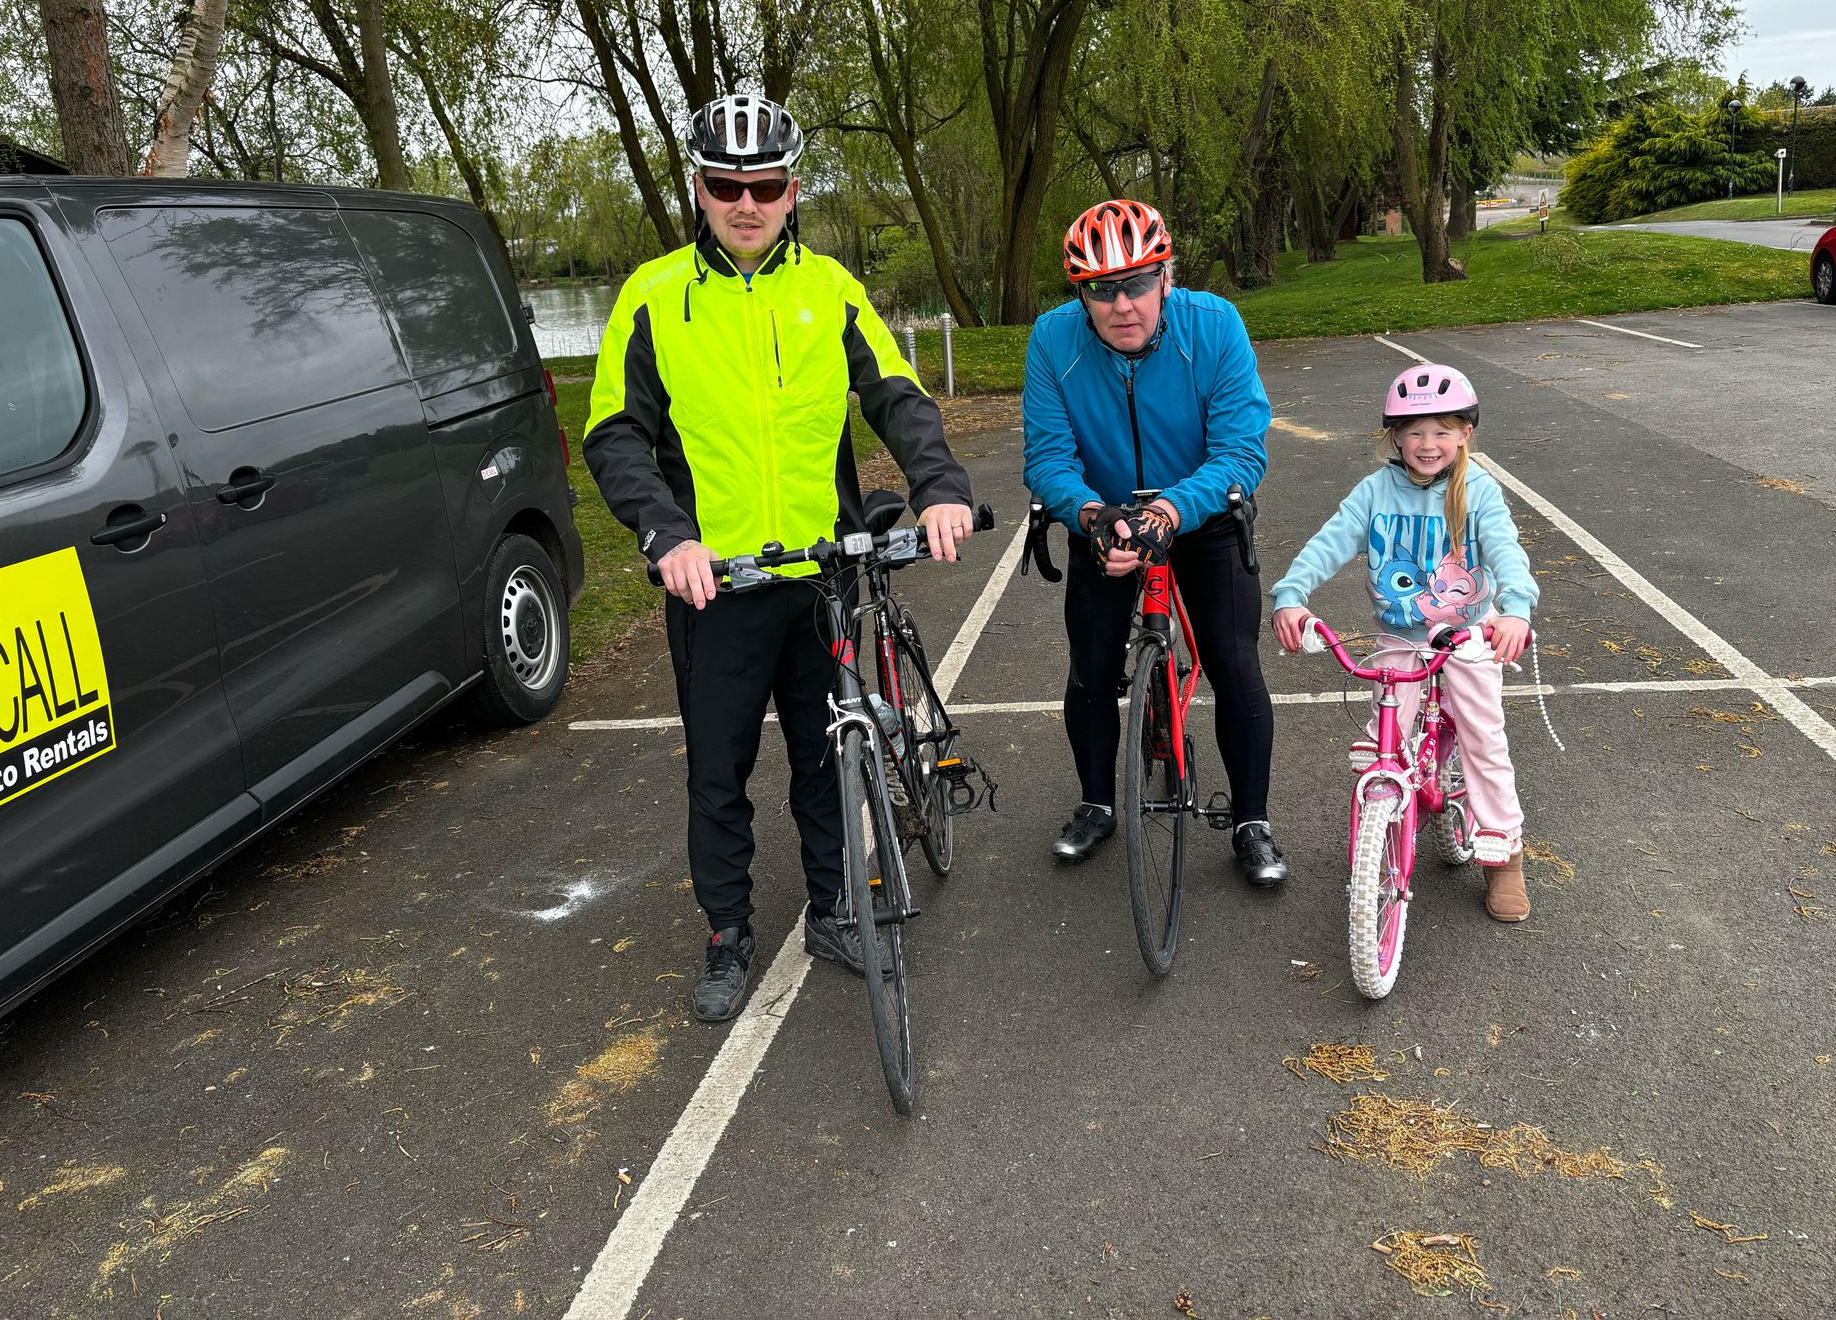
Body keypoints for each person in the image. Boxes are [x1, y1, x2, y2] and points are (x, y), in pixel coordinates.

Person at [584, 93, 976, 1022]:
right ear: (699, 189)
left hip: (820, 574)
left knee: (824, 754)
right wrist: (667, 534)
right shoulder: (654, 296)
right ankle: (728, 931)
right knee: (717, 772)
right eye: (727, 186)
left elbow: (896, 392)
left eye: (765, 186)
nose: (746, 203)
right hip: (714, 583)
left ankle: (835, 907)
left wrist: (939, 484)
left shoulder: (830, 290)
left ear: (793, 191)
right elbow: (613, 432)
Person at [1021, 198, 1283, 886]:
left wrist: (1171, 510)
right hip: (1105, 519)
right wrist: (1090, 515)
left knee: (1234, 663)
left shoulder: (1214, 325)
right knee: (1090, 668)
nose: (1122, 305)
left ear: (1167, 277)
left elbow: (1241, 449)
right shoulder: (1053, 339)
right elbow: (1048, 456)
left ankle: (1252, 821)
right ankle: (1096, 802)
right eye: (1101, 289)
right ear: (1080, 293)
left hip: (1201, 514)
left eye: (1137, 283)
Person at [1269, 364, 1540, 921]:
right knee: (1386, 732)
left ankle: (1504, 854)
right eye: (1414, 431)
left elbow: (1506, 551)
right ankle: (1386, 818)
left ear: (1465, 433)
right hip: (1399, 634)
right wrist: (1292, 593)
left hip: (1469, 633)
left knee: (1483, 739)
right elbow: (1329, 542)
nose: (1427, 443)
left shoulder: (1479, 491)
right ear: (1394, 437)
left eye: (1442, 430)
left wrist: (1516, 611)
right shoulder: (1374, 491)